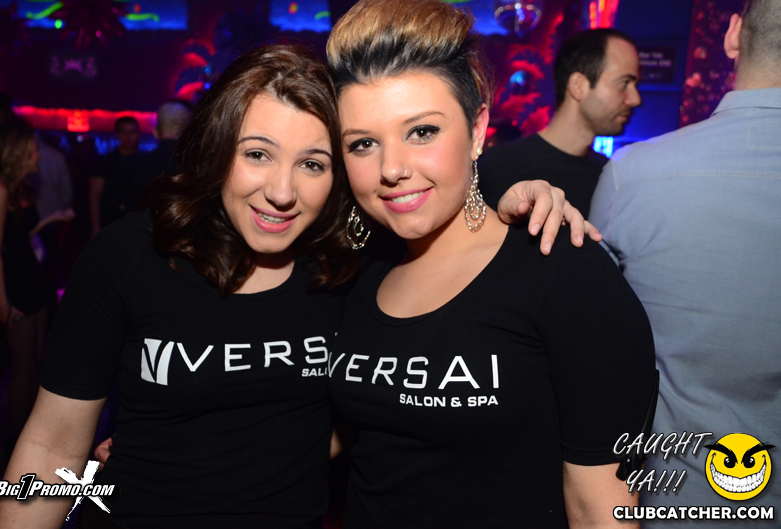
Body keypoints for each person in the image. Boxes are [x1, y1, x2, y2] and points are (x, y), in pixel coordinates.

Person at [0, 44, 584, 529]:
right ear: (216, 149)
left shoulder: (357, 268)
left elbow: (369, 408)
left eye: (313, 164)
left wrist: (522, 199)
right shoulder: (131, 255)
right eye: (257, 154)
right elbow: (51, 446)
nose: (281, 192)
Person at [325, 1, 657, 527]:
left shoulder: (561, 270)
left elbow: (601, 511)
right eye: (363, 143)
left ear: (478, 128)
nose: (392, 169)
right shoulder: (357, 269)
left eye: (422, 132)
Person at [589, 0, 781, 524]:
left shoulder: (634, 174)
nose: (634, 97)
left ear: (733, 35)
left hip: (675, 499)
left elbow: (592, 353)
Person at [0, 120, 73, 453]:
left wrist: (50, 220)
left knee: (37, 360)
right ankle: (18, 441)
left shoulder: (19, 188)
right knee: (22, 366)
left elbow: (17, 238)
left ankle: (33, 432)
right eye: (33, 149)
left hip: (33, 280)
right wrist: (1, 304)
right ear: (17, 152)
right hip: (15, 286)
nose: (39, 155)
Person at [480, 28, 641, 217]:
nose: (635, 99)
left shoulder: (611, 177)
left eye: (635, 85)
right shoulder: (499, 168)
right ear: (578, 86)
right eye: (624, 83)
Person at [89, 116, 142, 236]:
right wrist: (95, 226)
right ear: (117, 135)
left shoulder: (146, 162)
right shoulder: (104, 163)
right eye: (123, 132)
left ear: (138, 135)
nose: (127, 137)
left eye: (132, 132)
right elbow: (94, 195)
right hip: (111, 223)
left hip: (138, 225)